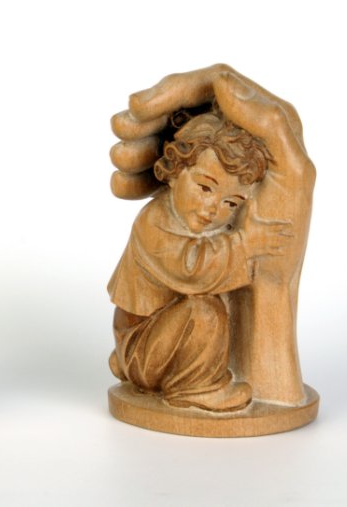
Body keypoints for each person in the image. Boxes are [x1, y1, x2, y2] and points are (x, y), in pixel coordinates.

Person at [108, 111, 292, 412]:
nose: (212, 209)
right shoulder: (154, 222)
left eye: (230, 202)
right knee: (204, 311)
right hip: (140, 344)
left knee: (208, 308)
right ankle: (194, 388)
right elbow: (192, 270)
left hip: (156, 341)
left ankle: (159, 371)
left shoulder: (194, 221)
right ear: (174, 172)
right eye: (205, 188)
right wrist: (245, 244)